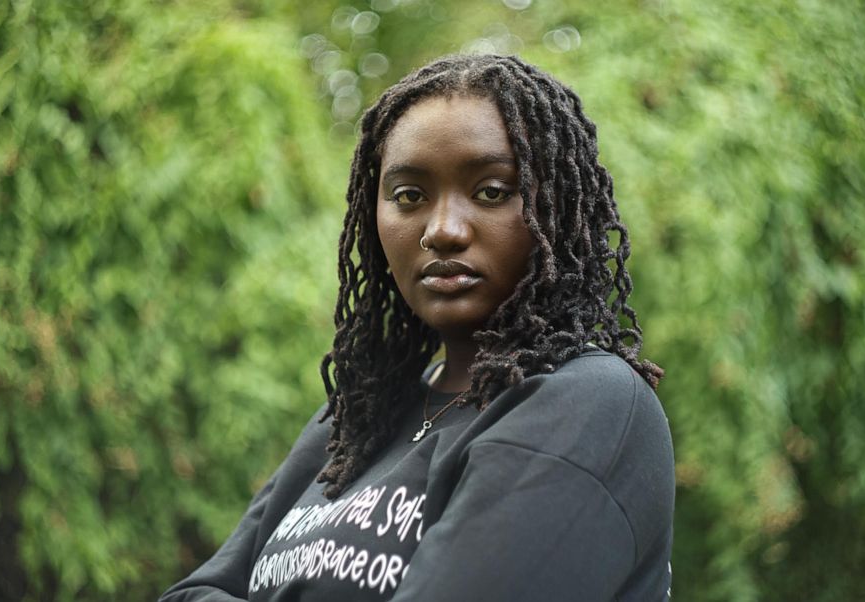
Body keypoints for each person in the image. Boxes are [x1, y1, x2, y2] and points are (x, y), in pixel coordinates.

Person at [159, 54, 674, 602]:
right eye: (409, 195)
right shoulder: (358, 418)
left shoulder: (591, 404)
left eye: (492, 191)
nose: (443, 231)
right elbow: (193, 592)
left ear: (560, 210)